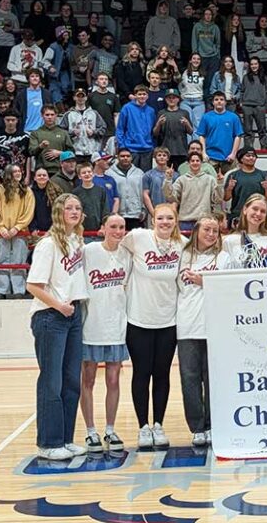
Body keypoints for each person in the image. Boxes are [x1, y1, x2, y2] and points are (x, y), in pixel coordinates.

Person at [26, 193, 89, 460]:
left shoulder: (77, 242)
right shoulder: (48, 244)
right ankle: (49, 443)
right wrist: (59, 306)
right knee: (51, 381)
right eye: (69, 208)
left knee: (72, 381)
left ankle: (65, 439)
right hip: (50, 317)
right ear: (58, 212)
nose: (74, 211)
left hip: (72, 315)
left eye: (78, 207)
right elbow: (32, 285)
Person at [122, 203, 185, 448]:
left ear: (176, 220)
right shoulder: (138, 237)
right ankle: (142, 427)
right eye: (161, 218)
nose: (165, 222)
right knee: (141, 373)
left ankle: (158, 424)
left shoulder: (182, 244)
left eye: (170, 218)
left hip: (168, 321)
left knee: (162, 374)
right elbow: (115, 247)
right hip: (138, 319)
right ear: (153, 220)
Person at [177, 214, 230, 447]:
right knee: (189, 378)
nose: (211, 234)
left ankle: (213, 424)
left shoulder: (225, 257)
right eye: (207, 229)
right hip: (187, 324)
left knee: (213, 379)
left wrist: (204, 281)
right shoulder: (182, 256)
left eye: (215, 231)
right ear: (196, 230)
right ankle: (197, 427)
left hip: (215, 326)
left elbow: (229, 288)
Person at [80, 213, 130, 453]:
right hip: (92, 326)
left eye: (122, 227)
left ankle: (110, 429)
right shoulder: (89, 252)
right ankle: (91, 431)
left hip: (117, 326)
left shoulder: (127, 255)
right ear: (102, 228)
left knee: (113, 381)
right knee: (87, 380)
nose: (118, 231)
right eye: (113, 226)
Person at [0, 164, 34, 298]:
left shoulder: (27, 191)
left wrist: (17, 227)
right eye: (14, 171)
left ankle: (18, 290)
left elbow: (29, 212)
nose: (18, 173)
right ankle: (1, 290)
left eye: (19, 171)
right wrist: (1, 227)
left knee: (19, 261)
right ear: (8, 174)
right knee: (1, 260)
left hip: (20, 232)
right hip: (1, 231)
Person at [224, 193, 267, 268]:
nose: (258, 213)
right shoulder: (230, 241)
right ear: (245, 210)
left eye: (263, 211)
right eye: (255, 209)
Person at [115, 85, 156, 172]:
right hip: (131, 148)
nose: (142, 96)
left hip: (147, 149)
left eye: (144, 94)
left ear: (147, 96)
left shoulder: (151, 111)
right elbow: (120, 129)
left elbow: (153, 131)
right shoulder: (127, 108)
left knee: (145, 176)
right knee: (130, 175)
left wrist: (152, 145)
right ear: (135, 95)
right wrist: (122, 146)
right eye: (139, 94)